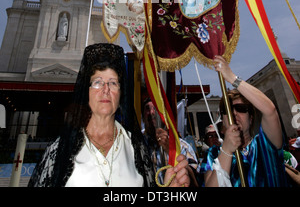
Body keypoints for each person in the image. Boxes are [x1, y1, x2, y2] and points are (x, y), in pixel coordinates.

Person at [28, 43, 190, 187]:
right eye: (98, 82)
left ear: (121, 93)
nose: (105, 90)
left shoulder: (136, 148)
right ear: (86, 91)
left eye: (113, 83)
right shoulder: (59, 151)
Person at [200, 55, 287, 187]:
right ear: (222, 120)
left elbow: (270, 111)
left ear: (251, 118)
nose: (234, 113)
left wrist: (232, 78)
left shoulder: (264, 145)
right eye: (227, 110)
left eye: (240, 108)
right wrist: (226, 151)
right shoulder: (213, 154)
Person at [142, 97, 199, 186]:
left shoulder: (183, 146)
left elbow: (194, 179)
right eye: (147, 108)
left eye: (155, 108)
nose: (152, 112)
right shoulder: (137, 145)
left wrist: (171, 150)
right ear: (143, 117)